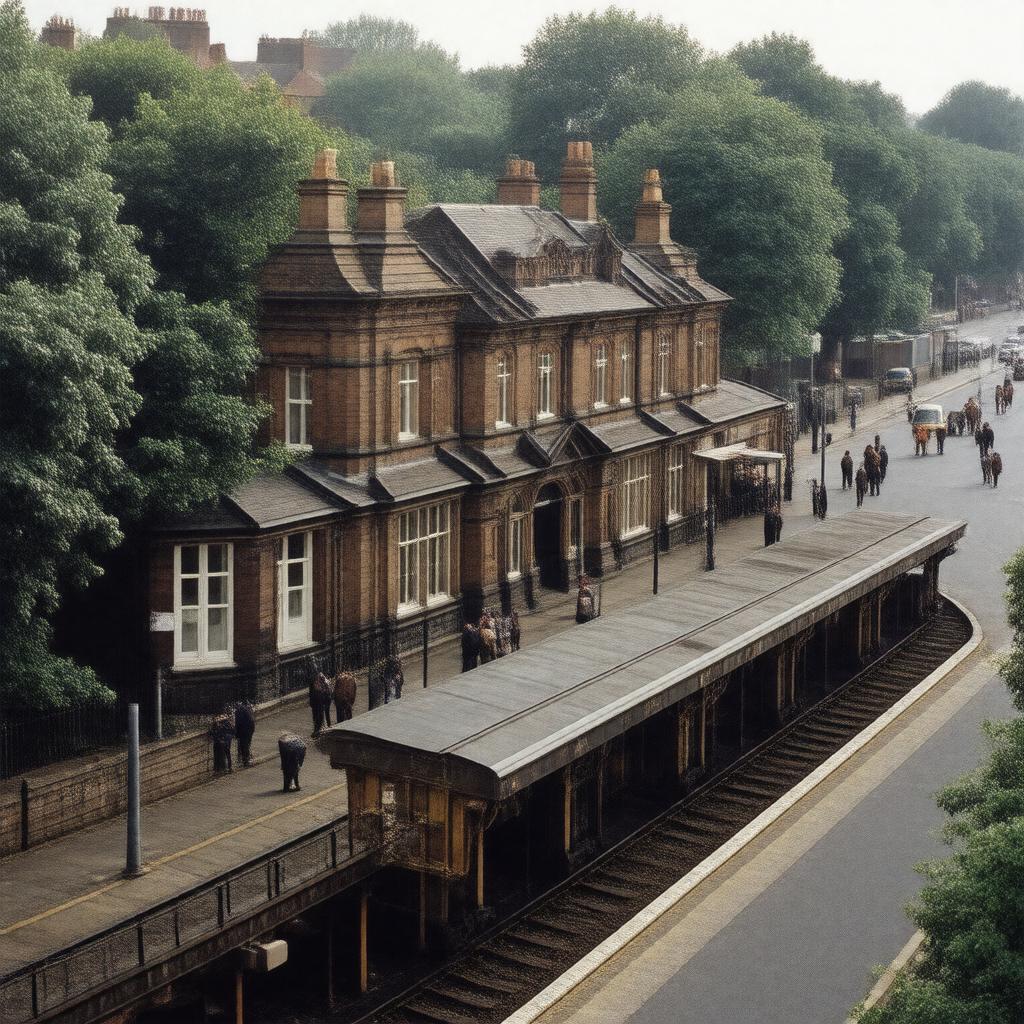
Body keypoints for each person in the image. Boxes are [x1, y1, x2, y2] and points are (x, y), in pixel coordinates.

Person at [309, 670, 333, 736]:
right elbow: (330, 690)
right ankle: (329, 726)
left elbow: (311, 694)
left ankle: (318, 730)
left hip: (320, 699)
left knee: (318, 714)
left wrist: (312, 703)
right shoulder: (325, 680)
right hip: (327, 698)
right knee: (326, 713)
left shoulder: (314, 681)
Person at [233, 701, 255, 767]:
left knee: (243, 747)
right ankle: (246, 761)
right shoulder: (247, 710)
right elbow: (252, 722)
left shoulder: (238, 711)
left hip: (243, 732)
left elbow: (238, 724)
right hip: (249, 731)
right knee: (246, 746)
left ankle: (245, 762)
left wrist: (236, 734)